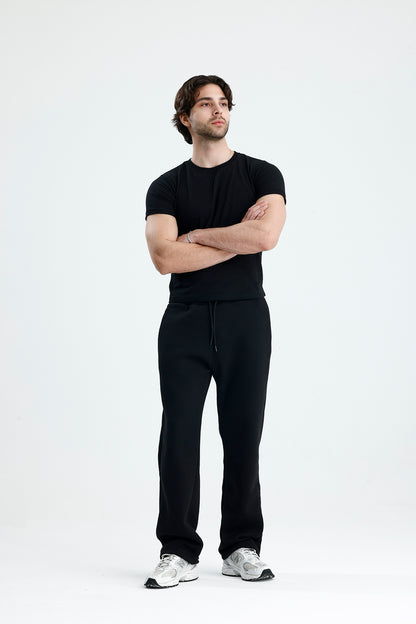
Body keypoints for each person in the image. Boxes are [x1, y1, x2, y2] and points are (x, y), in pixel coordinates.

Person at [144, 75, 287, 589]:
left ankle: (241, 546)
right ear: (186, 117)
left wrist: (198, 236)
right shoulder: (166, 186)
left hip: (246, 318)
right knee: (178, 438)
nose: (218, 110)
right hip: (184, 321)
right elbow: (164, 257)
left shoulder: (261, 173)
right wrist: (235, 239)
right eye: (205, 103)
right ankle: (177, 550)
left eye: (223, 102)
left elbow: (266, 235)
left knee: (244, 433)